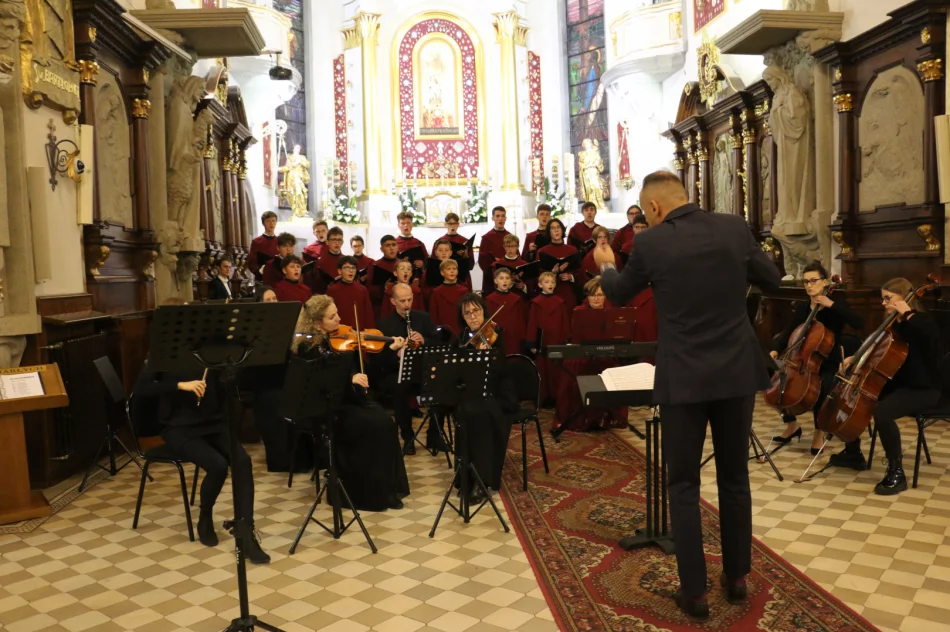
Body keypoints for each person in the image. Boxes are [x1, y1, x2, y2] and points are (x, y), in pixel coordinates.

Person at [593, 170, 781, 621]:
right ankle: (736, 579)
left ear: (654, 207)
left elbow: (618, 293)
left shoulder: (652, 243)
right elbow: (773, 280)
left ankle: (694, 594)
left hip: (685, 377)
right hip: (735, 371)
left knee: (683, 484)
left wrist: (605, 264)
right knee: (735, 478)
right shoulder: (734, 227)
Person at [134, 341, 270, 563]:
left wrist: (233, 368)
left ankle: (246, 533)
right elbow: (142, 388)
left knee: (243, 461)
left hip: (212, 422)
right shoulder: (164, 349)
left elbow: (228, 385)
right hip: (177, 426)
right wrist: (180, 385)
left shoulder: (210, 349)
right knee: (217, 465)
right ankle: (205, 514)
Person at [292, 295, 410, 511]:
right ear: (317, 324)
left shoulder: (340, 340)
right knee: (374, 425)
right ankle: (363, 494)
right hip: (328, 407)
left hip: (350, 400)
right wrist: (349, 378)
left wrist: (390, 350)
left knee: (386, 421)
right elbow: (318, 383)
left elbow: (368, 373)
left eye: (337, 313)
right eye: (332, 317)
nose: (339, 319)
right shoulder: (307, 348)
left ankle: (387, 490)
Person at [831, 278, 940, 494]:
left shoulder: (922, 320)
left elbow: (933, 340)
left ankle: (896, 472)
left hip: (924, 388)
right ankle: (853, 452)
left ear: (904, 297)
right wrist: (855, 358)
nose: (883, 303)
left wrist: (909, 314)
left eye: (888, 298)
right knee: (860, 399)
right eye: (883, 299)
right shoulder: (893, 325)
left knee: (882, 412)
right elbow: (876, 350)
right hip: (899, 384)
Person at [770, 261, 863, 455]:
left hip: (829, 361)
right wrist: (776, 349)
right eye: (806, 282)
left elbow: (859, 323)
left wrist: (831, 304)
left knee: (823, 386)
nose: (809, 285)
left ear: (825, 282)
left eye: (814, 280)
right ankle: (792, 425)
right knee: (776, 380)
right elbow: (790, 331)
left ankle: (818, 433)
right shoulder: (803, 307)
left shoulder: (836, 304)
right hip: (803, 360)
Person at [454, 293, 519, 493]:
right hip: (472, 395)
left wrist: (485, 359)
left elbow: (500, 371)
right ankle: (466, 476)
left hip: (497, 393)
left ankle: (482, 479)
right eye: (467, 313)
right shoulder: (461, 340)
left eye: (476, 311)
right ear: (462, 317)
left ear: (484, 311)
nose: (473, 316)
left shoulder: (495, 334)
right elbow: (458, 375)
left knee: (483, 415)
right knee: (465, 413)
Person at [553, 277, 628, 432]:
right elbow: (574, 337)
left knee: (612, 370)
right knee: (571, 369)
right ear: (587, 296)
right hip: (582, 353)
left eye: (599, 295)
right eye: (592, 295)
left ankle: (606, 417)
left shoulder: (612, 312)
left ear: (605, 296)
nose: (596, 298)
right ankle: (578, 417)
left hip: (605, 353)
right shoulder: (579, 311)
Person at [376, 284, 439, 454]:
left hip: (423, 371)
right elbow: (379, 361)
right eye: (402, 301)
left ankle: (434, 436)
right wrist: (397, 353)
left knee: (441, 384)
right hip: (397, 372)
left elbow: (438, 344)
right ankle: (408, 437)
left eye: (409, 300)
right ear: (393, 301)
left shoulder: (423, 318)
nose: (407, 305)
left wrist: (424, 341)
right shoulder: (384, 324)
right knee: (399, 387)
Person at [526, 271, 571, 403]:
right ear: (540, 285)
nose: (550, 284)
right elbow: (532, 323)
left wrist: (566, 339)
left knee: (556, 370)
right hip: (542, 341)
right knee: (543, 369)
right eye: (546, 282)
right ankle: (544, 397)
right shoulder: (536, 303)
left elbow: (565, 322)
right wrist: (532, 343)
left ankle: (557, 397)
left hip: (557, 340)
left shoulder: (560, 302)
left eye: (552, 282)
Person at [538, 218, 579, 310]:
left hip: (568, 292)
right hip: (550, 293)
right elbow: (539, 275)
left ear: (562, 230)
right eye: (553, 228)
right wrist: (552, 273)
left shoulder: (572, 250)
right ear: (549, 232)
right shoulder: (542, 251)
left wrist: (571, 277)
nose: (556, 230)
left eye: (558, 227)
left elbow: (579, 272)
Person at [485, 268, 527, 357]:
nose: (505, 281)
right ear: (495, 281)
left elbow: (521, 321)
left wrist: (523, 338)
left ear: (511, 281)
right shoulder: (489, 299)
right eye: (501, 278)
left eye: (507, 278)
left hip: (514, 338)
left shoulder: (517, 299)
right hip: (496, 338)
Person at [327, 256, 375, 328]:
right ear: (339, 271)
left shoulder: (362, 289)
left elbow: (368, 313)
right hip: (340, 329)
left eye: (353, 268)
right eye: (347, 268)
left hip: (359, 330)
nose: (351, 271)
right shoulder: (332, 290)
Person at [428, 259, 468, 335]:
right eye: (448, 269)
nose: (452, 271)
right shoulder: (436, 292)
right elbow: (433, 315)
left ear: (457, 271)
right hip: (443, 332)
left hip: (461, 329)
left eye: (454, 269)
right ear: (442, 273)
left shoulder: (464, 291)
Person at [478, 206, 510, 294]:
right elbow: (482, 260)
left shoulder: (510, 237)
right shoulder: (487, 238)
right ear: (493, 218)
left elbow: (516, 256)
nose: (500, 219)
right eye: (497, 216)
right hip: (491, 278)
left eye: (503, 216)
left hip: (508, 276)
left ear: (506, 218)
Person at [368, 235, 400, 317]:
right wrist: (384, 287)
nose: (391, 248)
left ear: (397, 247)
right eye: (387, 245)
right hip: (383, 307)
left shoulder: (404, 265)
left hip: (401, 306)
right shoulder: (375, 266)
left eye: (393, 245)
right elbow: (370, 291)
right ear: (381, 249)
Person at [248, 211, 278, 280]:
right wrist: (259, 272)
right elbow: (252, 262)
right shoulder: (256, 242)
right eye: (268, 221)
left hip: (278, 278)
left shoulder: (280, 241)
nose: (271, 223)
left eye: (273, 221)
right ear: (263, 223)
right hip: (262, 278)